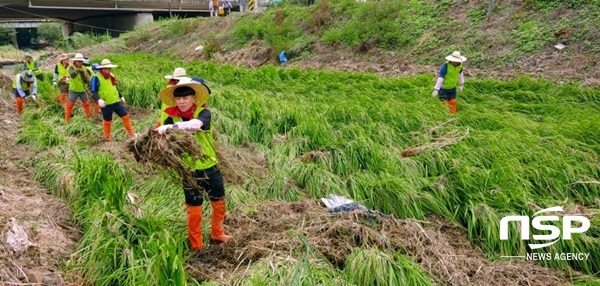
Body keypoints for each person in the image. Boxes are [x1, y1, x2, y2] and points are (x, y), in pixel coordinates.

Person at [154, 79, 232, 251]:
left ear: (193, 98)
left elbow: (195, 126)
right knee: (194, 206)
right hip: (189, 170)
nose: (181, 101)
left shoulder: (203, 113)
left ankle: (217, 233)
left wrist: (171, 127)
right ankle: (196, 243)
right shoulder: (169, 117)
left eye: (186, 98)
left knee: (218, 200)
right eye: (178, 98)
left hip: (210, 165)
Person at [90, 59, 136, 141]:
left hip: (115, 101)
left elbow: (115, 87)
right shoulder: (96, 77)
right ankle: (107, 139)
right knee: (107, 121)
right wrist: (99, 100)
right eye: (107, 68)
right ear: (102, 68)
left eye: (109, 68)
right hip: (106, 103)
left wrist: (121, 96)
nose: (109, 69)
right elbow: (93, 90)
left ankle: (132, 135)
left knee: (125, 116)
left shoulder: (111, 75)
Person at [65, 53, 92, 123]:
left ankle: (88, 119)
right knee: (70, 105)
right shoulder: (71, 67)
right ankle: (67, 121)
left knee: (86, 104)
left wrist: (89, 84)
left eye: (81, 61)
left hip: (82, 90)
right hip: (73, 90)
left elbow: (86, 79)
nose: (80, 62)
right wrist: (78, 70)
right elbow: (72, 75)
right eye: (78, 61)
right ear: (75, 61)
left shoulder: (83, 68)